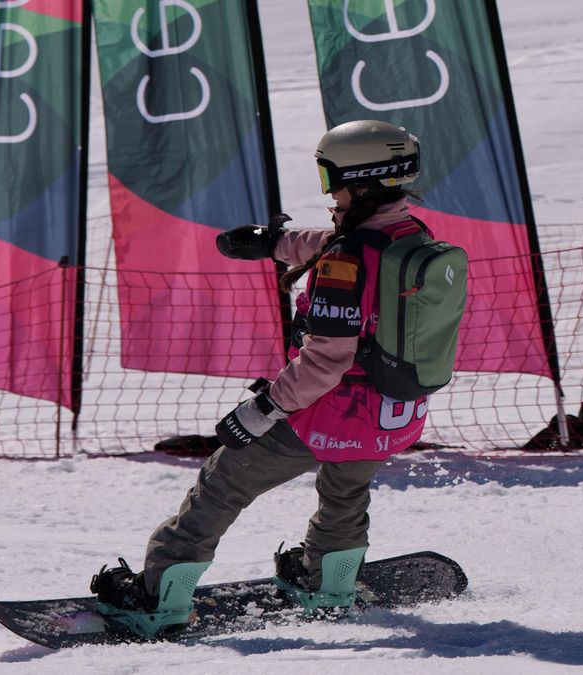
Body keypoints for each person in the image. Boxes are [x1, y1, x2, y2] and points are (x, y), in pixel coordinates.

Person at [89, 120, 431, 639]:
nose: (327, 188)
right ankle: (330, 586)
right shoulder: (413, 238)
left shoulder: (344, 262)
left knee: (223, 484)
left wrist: (263, 410)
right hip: (390, 413)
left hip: (325, 411)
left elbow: (324, 362)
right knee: (345, 494)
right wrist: (276, 243)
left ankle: (161, 600)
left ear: (360, 179)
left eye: (329, 175)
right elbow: (350, 243)